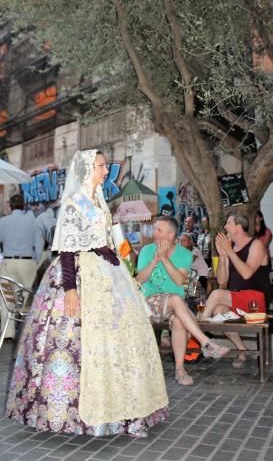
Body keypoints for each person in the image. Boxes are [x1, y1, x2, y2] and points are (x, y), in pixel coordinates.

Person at [6, 149, 168, 438]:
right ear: (85, 170)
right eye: (100, 166)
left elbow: (102, 241)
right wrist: (70, 290)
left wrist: (121, 258)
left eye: (105, 166)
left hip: (108, 274)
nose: (105, 171)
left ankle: (128, 409)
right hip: (80, 275)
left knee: (124, 340)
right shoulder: (73, 204)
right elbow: (67, 248)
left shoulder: (100, 201)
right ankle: (79, 412)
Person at [136, 216, 229, 387]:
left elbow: (179, 280)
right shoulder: (146, 251)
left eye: (159, 230)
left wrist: (164, 258)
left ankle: (180, 370)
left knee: (179, 319)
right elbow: (139, 280)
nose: (154, 234)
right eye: (154, 229)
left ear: (170, 235)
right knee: (178, 300)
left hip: (174, 305)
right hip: (150, 302)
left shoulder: (185, 254)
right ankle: (205, 343)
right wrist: (155, 260)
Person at [202, 213, 272, 368]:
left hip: (256, 302)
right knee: (218, 311)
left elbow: (247, 273)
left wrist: (230, 252)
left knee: (216, 295)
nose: (225, 227)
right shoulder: (230, 248)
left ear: (239, 227)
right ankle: (242, 350)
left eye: (229, 223)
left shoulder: (256, 245)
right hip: (237, 299)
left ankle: (199, 333)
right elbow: (221, 280)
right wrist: (223, 256)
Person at [0, 193, 44, 339]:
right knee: (26, 299)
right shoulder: (33, 222)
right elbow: (39, 245)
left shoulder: (3, 222)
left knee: (8, 298)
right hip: (27, 263)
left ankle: (8, 332)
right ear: (23, 206)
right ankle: (27, 334)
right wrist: (35, 262)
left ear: (10, 206)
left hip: (8, 263)